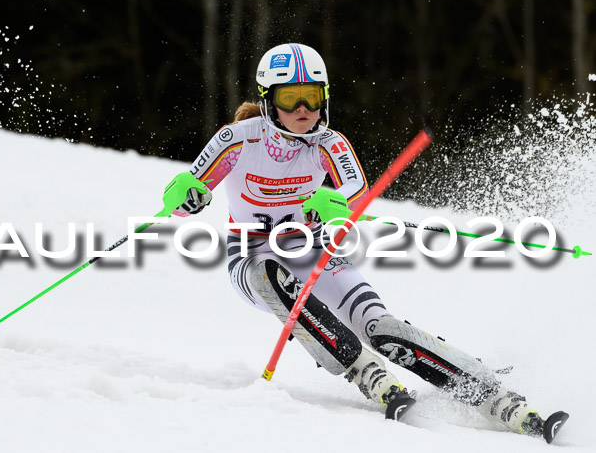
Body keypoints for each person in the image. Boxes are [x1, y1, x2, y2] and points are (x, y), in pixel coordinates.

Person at [164, 43, 567, 442]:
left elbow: (356, 199)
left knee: (382, 329)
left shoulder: (330, 144)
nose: (303, 109)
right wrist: (185, 195)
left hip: (313, 251)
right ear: (268, 101)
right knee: (268, 274)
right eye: (290, 98)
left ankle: (489, 392)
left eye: (313, 97)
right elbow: (182, 198)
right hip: (251, 257)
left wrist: (337, 208)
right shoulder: (238, 139)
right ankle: (361, 369)